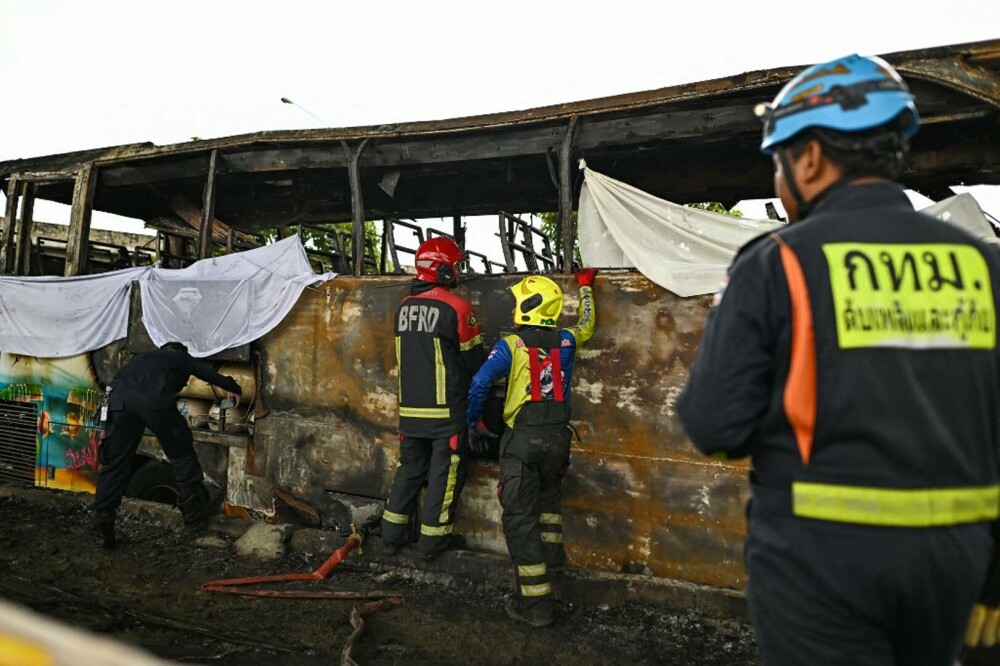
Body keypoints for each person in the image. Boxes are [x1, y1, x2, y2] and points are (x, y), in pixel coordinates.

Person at [676, 53, 1000, 664]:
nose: (779, 180)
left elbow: (714, 426)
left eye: (779, 162)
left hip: (820, 562)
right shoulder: (984, 266)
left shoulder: (778, 263)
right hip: (958, 562)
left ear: (812, 158)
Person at [467, 269, 596, 628]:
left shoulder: (512, 345)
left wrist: (474, 422)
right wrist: (586, 288)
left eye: (517, 303)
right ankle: (556, 573)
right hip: (558, 439)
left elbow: (479, 383)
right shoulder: (568, 340)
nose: (512, 310)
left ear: (529, 306)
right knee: (549, 507)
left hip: (522, 441)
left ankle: (537, 606)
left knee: (520, 518)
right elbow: (587, 323)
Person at [381, 237, 485, 559]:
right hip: (447, 416)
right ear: (441, 270)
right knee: (445, 475)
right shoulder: (458, 309)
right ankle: (432, 544)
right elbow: (475, 363)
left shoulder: (402, 310)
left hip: (410, 413)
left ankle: (391, 536)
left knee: (409, 469)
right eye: (455, 265)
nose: (458, 271)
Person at [93, 341, 242, 548]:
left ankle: (103, 527)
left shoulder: (141, 357)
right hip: (154, 403)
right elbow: (208, 374)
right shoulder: (179, 358)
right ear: (179, 351)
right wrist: (234, 388)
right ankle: (194, 515)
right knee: (180, 451)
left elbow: (118, 380)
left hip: (120, 403)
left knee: (116, 461)